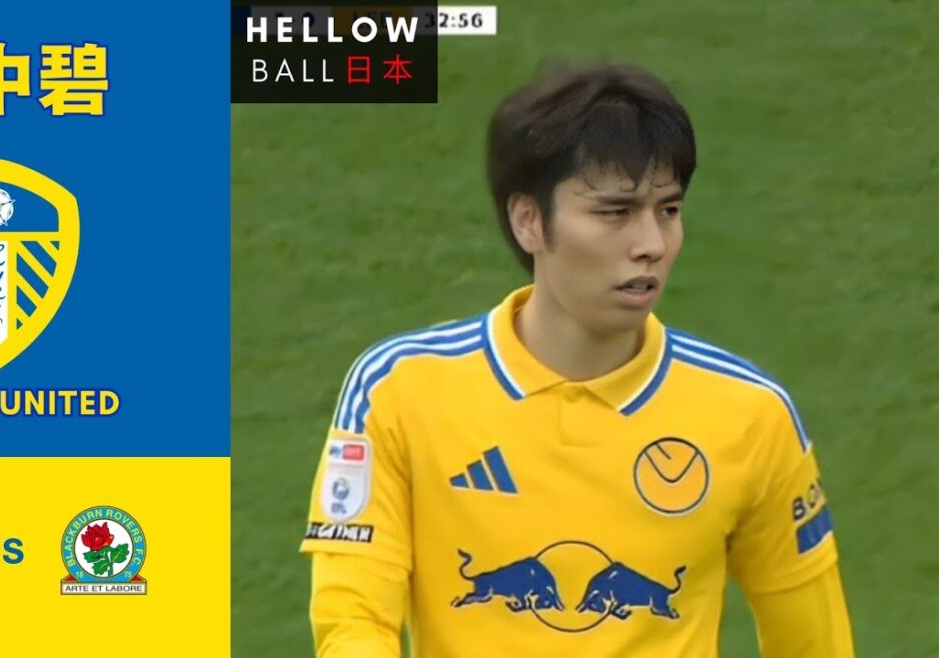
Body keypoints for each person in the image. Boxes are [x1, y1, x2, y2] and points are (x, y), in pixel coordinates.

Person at [299, 63, 854, 657]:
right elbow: (353, 620)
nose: (652, 244)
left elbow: (814, 644)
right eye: (615, 212)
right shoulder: (399, 390)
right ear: (529, 221)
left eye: (668, 210)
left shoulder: (751, 416)